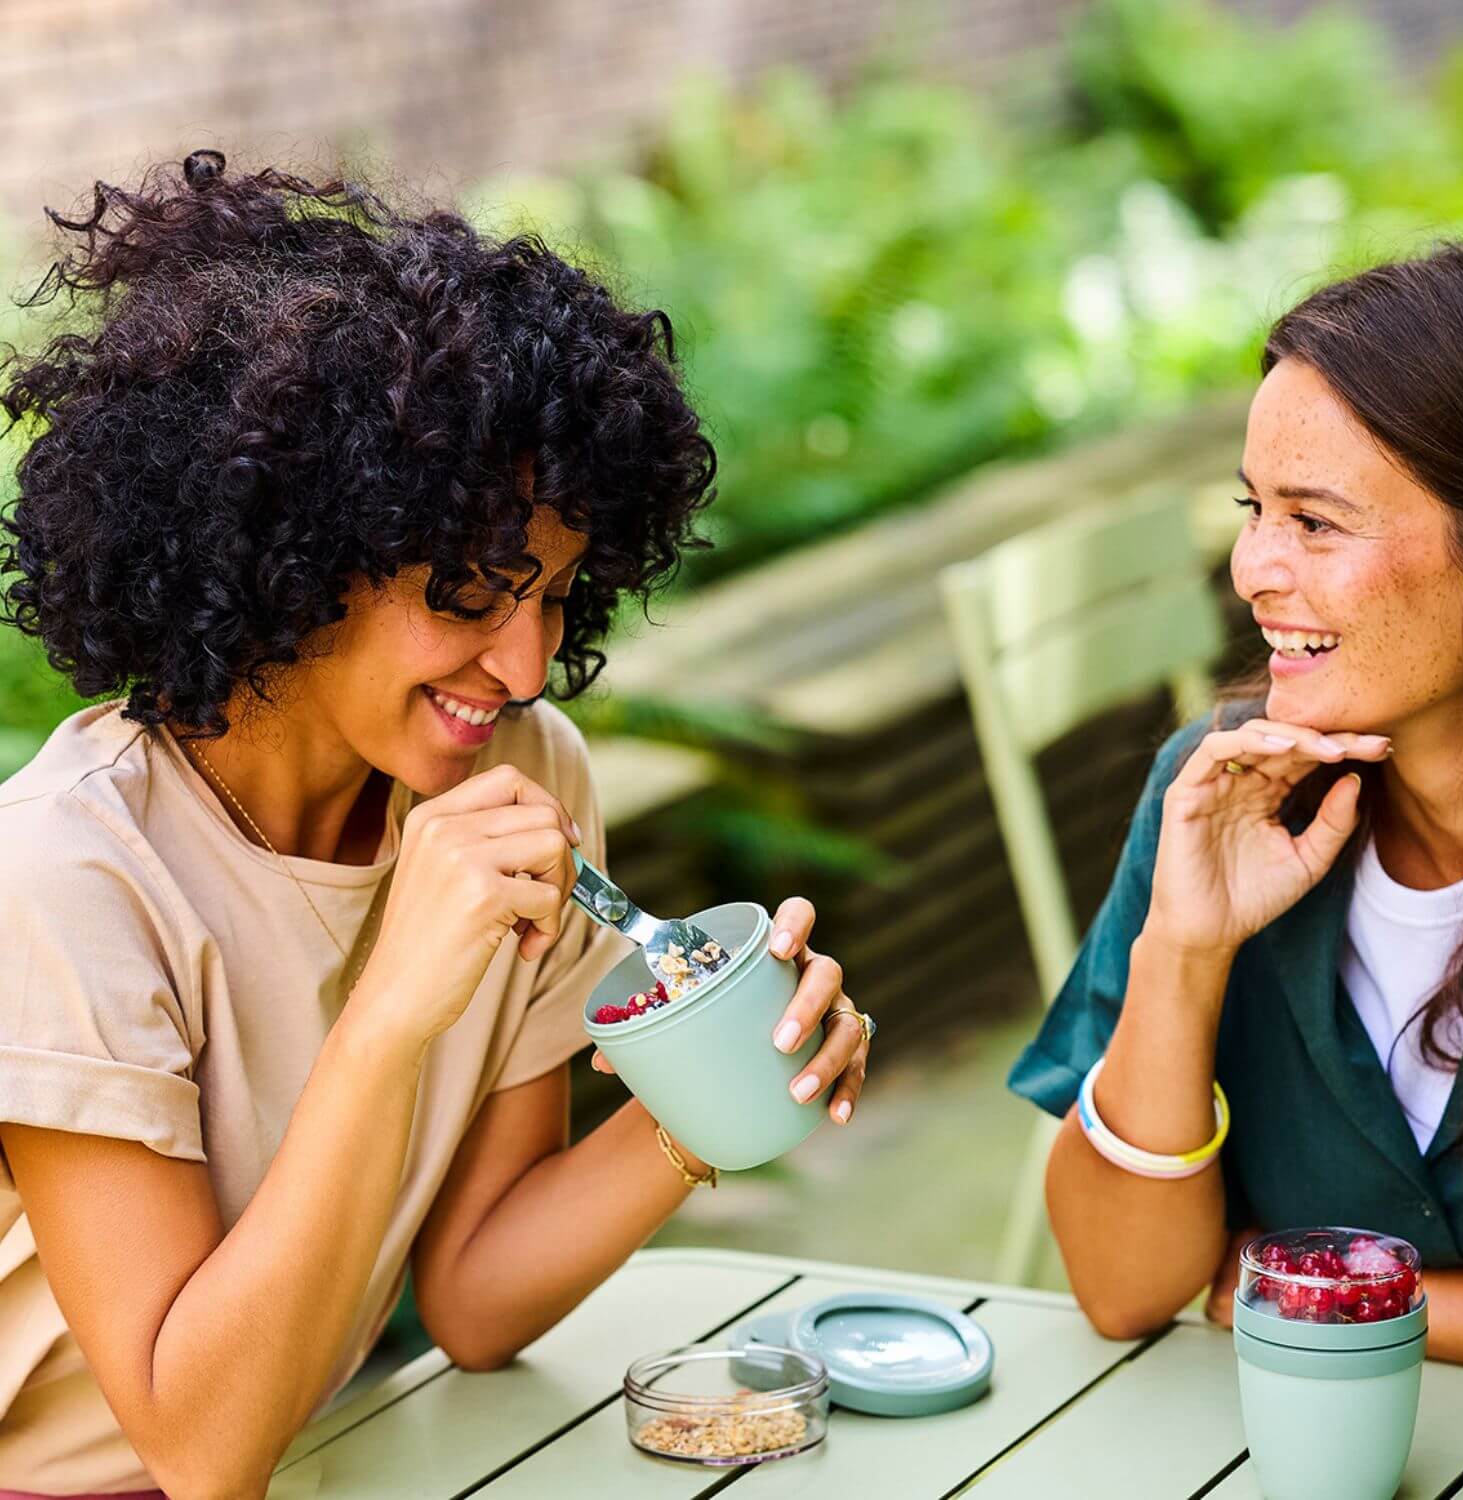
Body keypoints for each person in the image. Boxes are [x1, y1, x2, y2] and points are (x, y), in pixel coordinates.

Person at [0, 152, 874, 1499]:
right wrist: (396, 1006)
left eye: (560, 598)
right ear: (300, 552)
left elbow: (472, 1298)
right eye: (471, 592)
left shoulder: (515, 781)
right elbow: (199, 1445)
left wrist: (715, 1097)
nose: (524, 666)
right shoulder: (67, 874)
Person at [1010, 242, 1463, 1369]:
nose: (1252, 569)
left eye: (1316, 524)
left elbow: (1239, 1290)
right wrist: (1185, 950)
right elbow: (1126, 1289)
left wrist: (1299, 1283)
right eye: (1254, 508)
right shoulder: (1225, 789)